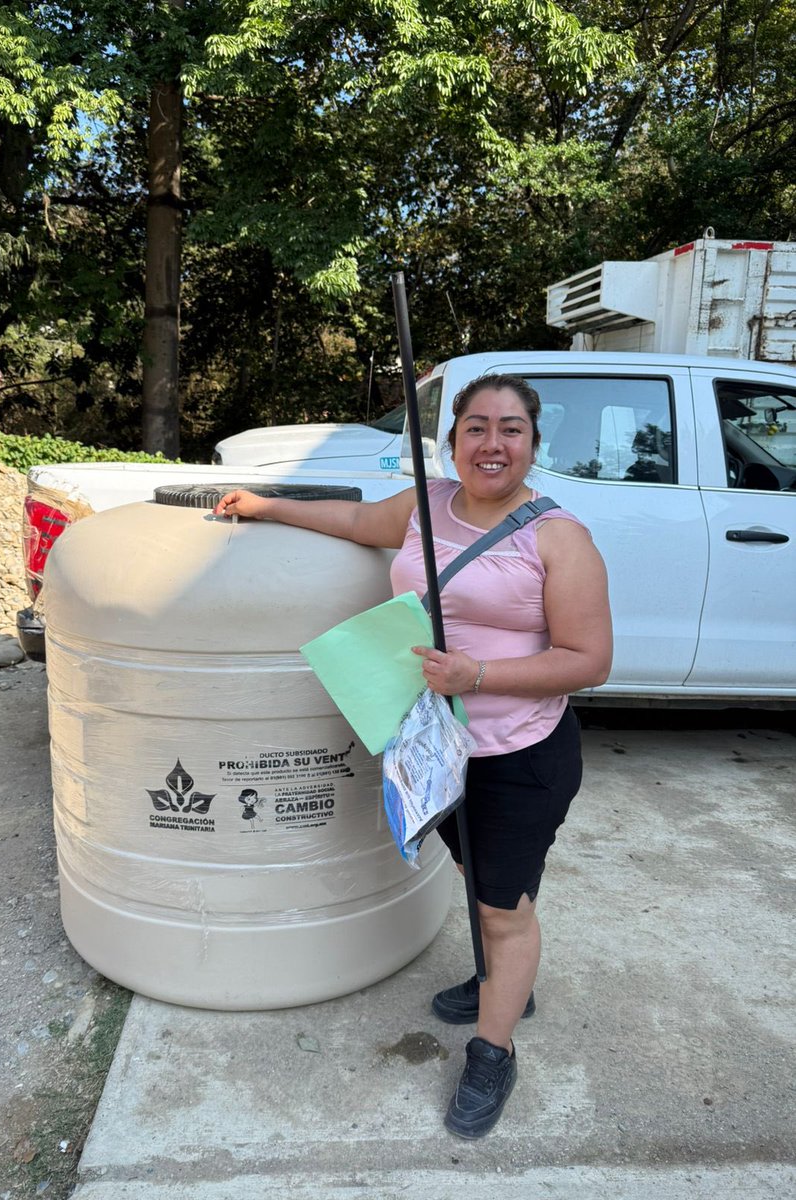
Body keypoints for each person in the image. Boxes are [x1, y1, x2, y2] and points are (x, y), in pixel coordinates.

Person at [213, 373, 612, 1139]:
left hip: (520, 752)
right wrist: (267, 505)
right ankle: (507, 982)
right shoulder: (427, 505)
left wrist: (481, 674)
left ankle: (495, 1046)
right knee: (472, 874)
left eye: (512, 430)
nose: (493, 444)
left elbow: (591, 659)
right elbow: (361, 519)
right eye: (477, 428)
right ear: (452, 438)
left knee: (502, 907)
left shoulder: (559, 538)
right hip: (437, 743)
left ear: (533, 443)